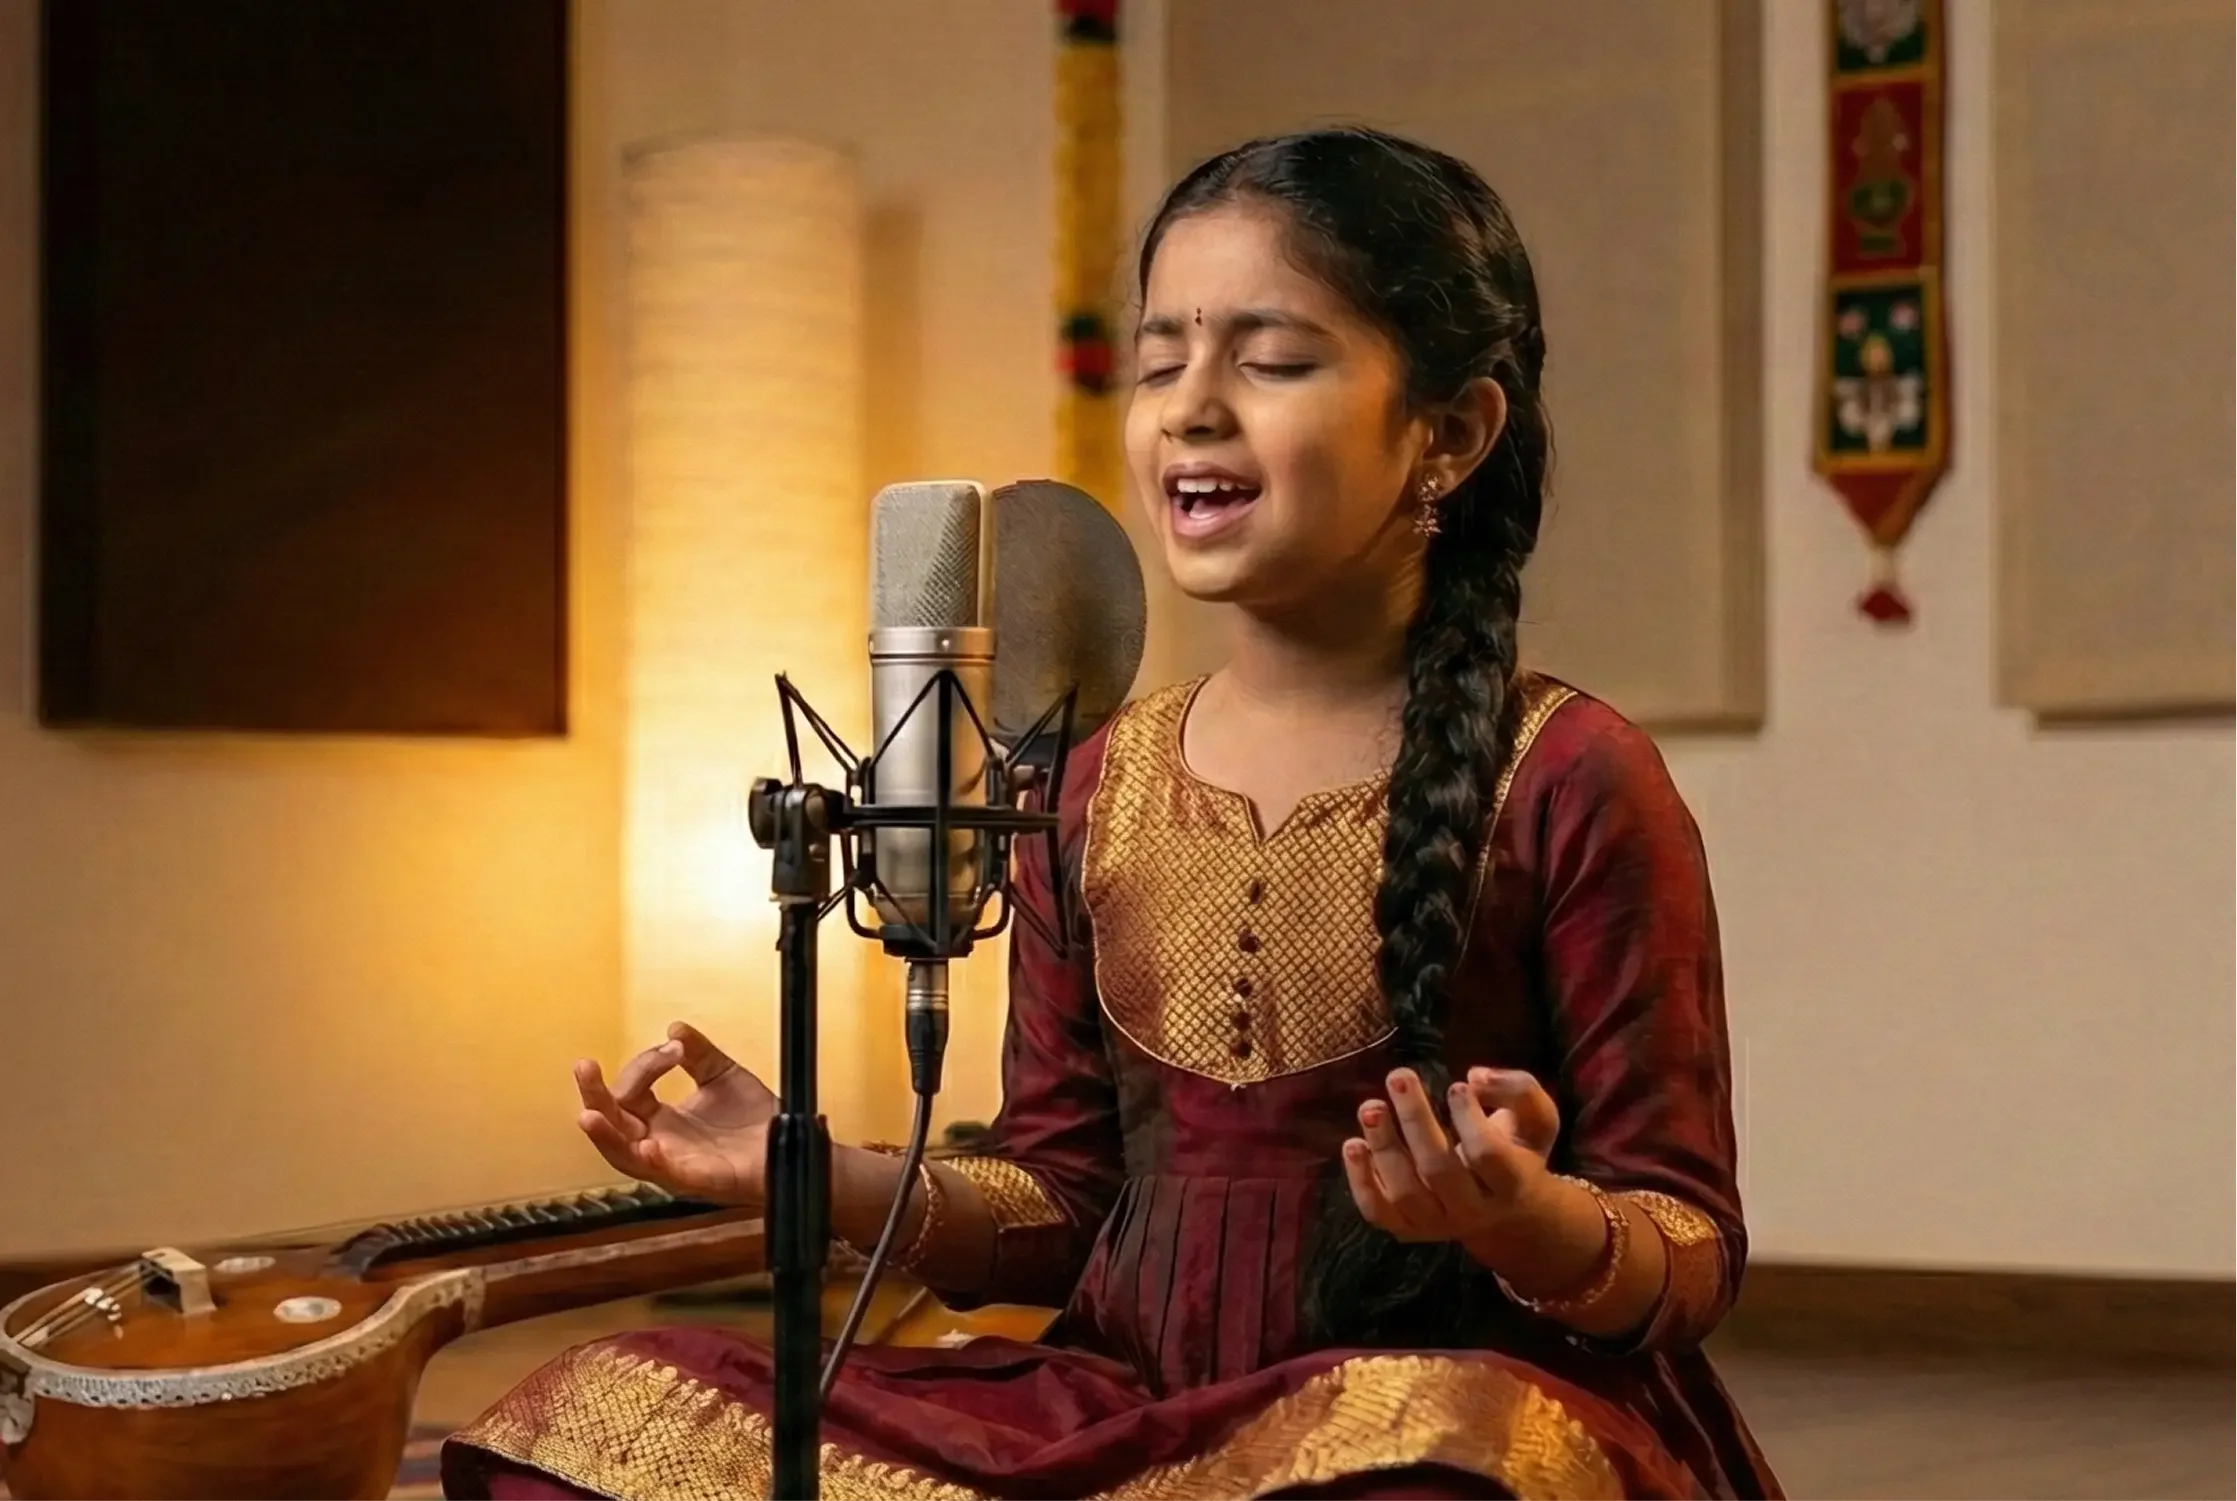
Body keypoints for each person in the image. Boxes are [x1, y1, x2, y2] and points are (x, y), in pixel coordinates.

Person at [443, 126, 1784, 1501]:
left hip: (1437, 1424)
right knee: (602, 1411)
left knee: (1433, 1467)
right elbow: (1059, 1204)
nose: (1190, 410)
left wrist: (1528, 1222)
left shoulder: (1571, 775)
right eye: (1159, 364)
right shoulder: (1092, 787)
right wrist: (816, 1172)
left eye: (1271, 361)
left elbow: (1685, 1248)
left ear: (1449, 433)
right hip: (1133, 1422)